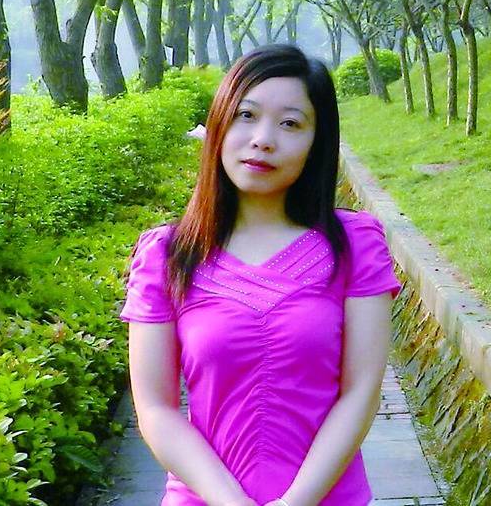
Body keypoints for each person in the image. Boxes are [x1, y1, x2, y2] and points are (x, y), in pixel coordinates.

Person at [119, 44, 401, 506]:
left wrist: (295, 502)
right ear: (218, 125)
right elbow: (154, 408)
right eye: (246, 116)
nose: (263, 139)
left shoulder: (355, 244)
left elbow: (361, 391)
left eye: (290, 123)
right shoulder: (168, 255)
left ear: (317, 142)